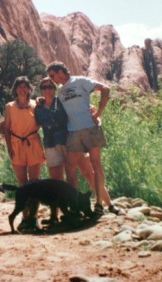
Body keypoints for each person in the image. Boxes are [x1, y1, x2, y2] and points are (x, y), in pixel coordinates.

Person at [46, 62, 121, 215]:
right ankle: (74, 205)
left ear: (60, 71)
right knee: (70, 167)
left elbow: (105, 89)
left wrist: (98, 113)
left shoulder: (80, 81)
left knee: (96, 164)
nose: (52, 79)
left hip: (90, 129)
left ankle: (99, 204)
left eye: (53, 75)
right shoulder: (60, 92)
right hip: (73, 132)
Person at [35, 77, 96, 223]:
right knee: (56, 182)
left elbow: (76, 106)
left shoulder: (61, 100)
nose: (47, 90)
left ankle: (74, 209)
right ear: (41, 90)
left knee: (71, 177)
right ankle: (55, 215)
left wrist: (91, 107)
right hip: (50, 144)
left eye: (50, 87)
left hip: (67, 141)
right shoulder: (38, 107)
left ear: (54, 88)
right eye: (44, 87)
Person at [4, 76, 46, 229]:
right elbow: (7, 129)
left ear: (29, 89)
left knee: (34, 184)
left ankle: (33, 218)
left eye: (25, 87)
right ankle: (25, 216)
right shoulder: (9, 107)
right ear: (15, 89)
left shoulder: (36, 104)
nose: (22, 89)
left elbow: (43, 121)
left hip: (33, 143)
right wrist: (9, 147)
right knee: (22, 185)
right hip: (17, 144)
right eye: (19, 87)